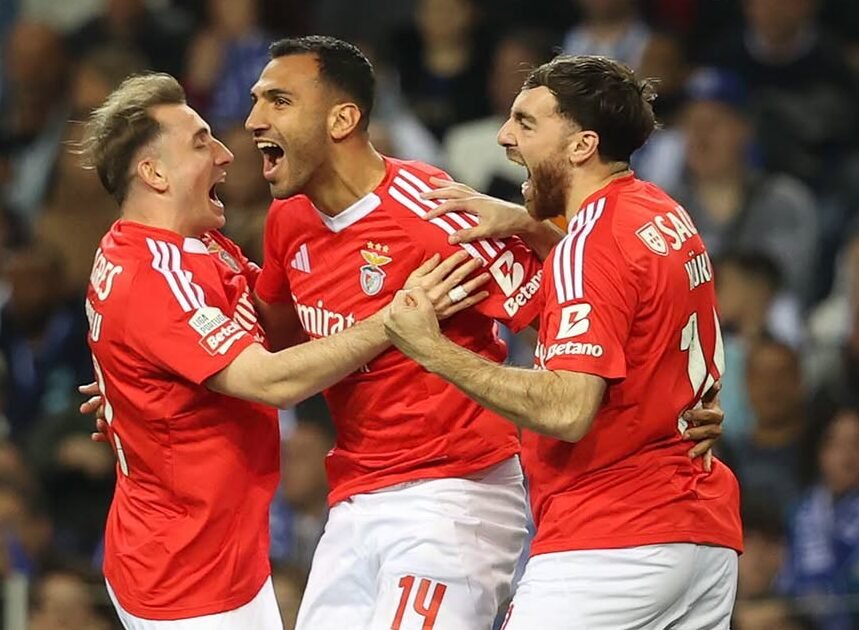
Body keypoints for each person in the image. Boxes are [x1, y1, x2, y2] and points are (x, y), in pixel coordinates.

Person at [243, 36, 726, 630]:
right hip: (353, 498)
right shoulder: (288, 220)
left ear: (342, 119)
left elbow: (575, 314)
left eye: (279, 101)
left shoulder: (438, 216)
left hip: (457, 494)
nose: (253, 119)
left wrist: (669, 396)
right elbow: (270, 345)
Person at [81, 72, 488, 629]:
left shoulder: (195, 245)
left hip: (214, 551)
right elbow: (272, 381)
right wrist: (395, 321)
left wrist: (133, 388)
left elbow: (262, 321)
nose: (226, 154)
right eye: (200, 143)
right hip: (184, 577)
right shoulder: (152, 275)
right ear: (154, 173)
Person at [384, 54, 743, 629]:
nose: (504, 136)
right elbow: (632, 304)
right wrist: (531, 224)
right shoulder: (662, 212)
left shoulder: (589, 245)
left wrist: (431, 349)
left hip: (612, 539)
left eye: (526, 123)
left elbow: (567, 410)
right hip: (701, 537)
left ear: (582, 146)